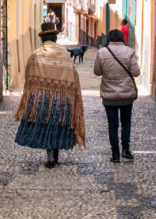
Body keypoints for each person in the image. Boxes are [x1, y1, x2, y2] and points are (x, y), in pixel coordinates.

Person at [14, 21, 86, 168]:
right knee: (58, 125)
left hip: (42, 99)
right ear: (55, 38)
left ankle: (50, 156)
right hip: (63, 99)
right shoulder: (65, 55)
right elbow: (74, 76)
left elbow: (29, 77)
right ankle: (55, 154)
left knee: (46, 124)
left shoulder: (36, 55)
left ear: (43, 39)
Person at [93, 28, 140, 163]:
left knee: (112, 125)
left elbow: (97, 71)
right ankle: (126, 149)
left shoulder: (102, 52)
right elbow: (136, 72)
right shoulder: (129, 52)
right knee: (126, 123)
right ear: (122, 39)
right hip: (126, 95)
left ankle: (115, 154)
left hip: (109, 95)